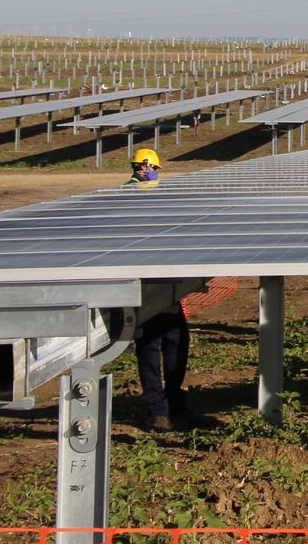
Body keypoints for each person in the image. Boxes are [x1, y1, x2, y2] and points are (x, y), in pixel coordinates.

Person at [124, 148, 190, 430]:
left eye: (149, 167)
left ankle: (173, 402)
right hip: (144, 290)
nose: (145, 170)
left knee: (177, 345)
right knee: (149, 349)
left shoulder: (165, 197)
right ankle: (157, 410)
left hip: (167, 287)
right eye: (141, 166)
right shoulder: (126, 196)